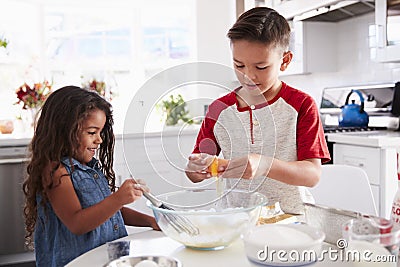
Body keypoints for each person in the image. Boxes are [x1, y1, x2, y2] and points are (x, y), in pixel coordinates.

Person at [186, 7, 330, 215]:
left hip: (292, 218)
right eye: (239, 65)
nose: (248, 76)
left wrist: (264, 165)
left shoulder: (301, 105)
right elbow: (195, 171)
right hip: (236, 218)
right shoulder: (219, 110)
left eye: (261, 67)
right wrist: (196, 169)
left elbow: (312, 175)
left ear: (285, 61)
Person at [23, 86, 159, 266]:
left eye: (100, 132)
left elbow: (110, 212)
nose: (100, 140)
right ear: (64, 130)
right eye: (92, 132)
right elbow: (76, 223)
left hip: (107, 260)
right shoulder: (55, 171)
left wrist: (152, 221)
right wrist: (118, 198)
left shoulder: (90, 168)